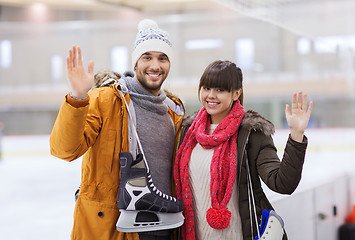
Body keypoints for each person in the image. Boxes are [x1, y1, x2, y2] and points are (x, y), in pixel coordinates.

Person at [50, 19, 184, 240]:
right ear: (135, 63)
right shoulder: (106, 100)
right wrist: (77, 98)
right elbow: (64, 150)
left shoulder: (173, 110)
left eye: (163, 58)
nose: (155, 66)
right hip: (115, 229)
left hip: (166, 226)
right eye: (147, 57)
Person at [174, 60, 313, 240]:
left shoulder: (251, 133)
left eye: (220, 90)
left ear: (236, 94)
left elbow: (282, 183)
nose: (211, 95)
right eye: (206, 88)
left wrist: (296, 135)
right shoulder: (188, 133)